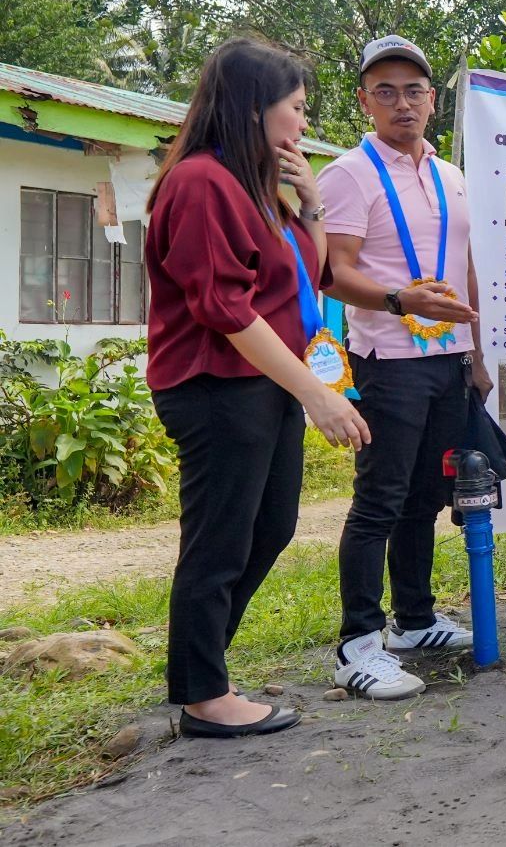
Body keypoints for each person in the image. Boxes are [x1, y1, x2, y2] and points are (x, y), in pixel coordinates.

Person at [146, 37, 370, 737]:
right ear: (253, 108)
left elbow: (312, 276)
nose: (304, 124)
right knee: (219, 539)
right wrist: (317, 392)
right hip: (217, 386)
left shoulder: (252, 187)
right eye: (297, 109)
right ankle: (202, 695)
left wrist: (309, 202)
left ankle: (203, 670)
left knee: (268, 529)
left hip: (260, 384)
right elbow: (225, 309)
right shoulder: (201, 184)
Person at [315, 36, 486, 699]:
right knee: (379, 500)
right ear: (364, 101)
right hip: (387, 359)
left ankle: (414, 620)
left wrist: (475, 353)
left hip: (448, 359)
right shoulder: (348, 173)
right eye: (384, 91)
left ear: (432, 100)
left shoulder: (451, 175)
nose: (401, 102)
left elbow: (461, 265)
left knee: (425, 497)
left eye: (413, 90)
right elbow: (335, 272)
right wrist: (397, 300)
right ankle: (359, 643)